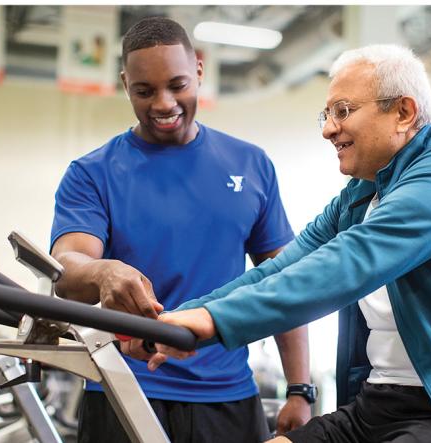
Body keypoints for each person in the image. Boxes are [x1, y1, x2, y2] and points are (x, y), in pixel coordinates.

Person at [151, 44, 431, 442]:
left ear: (403, 112)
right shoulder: (360, 196)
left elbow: (345, 265)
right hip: (380, 402)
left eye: (343, 111)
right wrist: (178, 319)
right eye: (326, 114)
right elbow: (282, 269)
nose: (328, 129)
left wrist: (214, 321)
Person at [49, 17, 312, 443]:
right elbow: (67, 266)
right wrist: (103, 272)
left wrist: (300, 388)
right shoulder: (92, 173)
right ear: (125, 84)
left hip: (227, 396)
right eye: (144, 91)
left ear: (199, 72)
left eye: (177, 85)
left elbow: (285, 282)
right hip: (123, 390)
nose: (164, 103)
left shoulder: (251, 165)